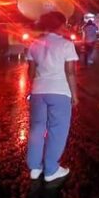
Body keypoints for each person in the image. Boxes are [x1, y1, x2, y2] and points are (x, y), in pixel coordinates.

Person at [25, 11, 79, 182]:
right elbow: (70, 72)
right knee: (57, 130)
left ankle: (35, 167)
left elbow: (31, 72)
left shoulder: (34, 44)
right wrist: (75, 95)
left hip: (38, 92)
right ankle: (51, 169)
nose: (65, 27)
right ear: (59, 25)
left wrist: (35, 87)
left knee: (37, 129)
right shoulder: (66, 45)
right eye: (64, 24)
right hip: (60, 92)